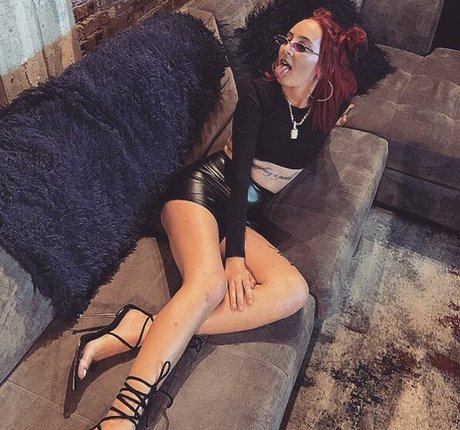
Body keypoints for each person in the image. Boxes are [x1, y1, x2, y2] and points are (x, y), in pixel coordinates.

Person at [69, 8, 367, 429]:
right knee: (209, 286)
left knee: (293, 292)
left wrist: (339, 109)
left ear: (324, 67)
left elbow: (346, 94)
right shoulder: (258, 97)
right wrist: (236, 257)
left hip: (239, 215)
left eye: (302, 46)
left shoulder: (327, 109)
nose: (286, 49)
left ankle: (140, 327)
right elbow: (240, 173)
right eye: (287, 39)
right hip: (203, 192)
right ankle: (121, 416)